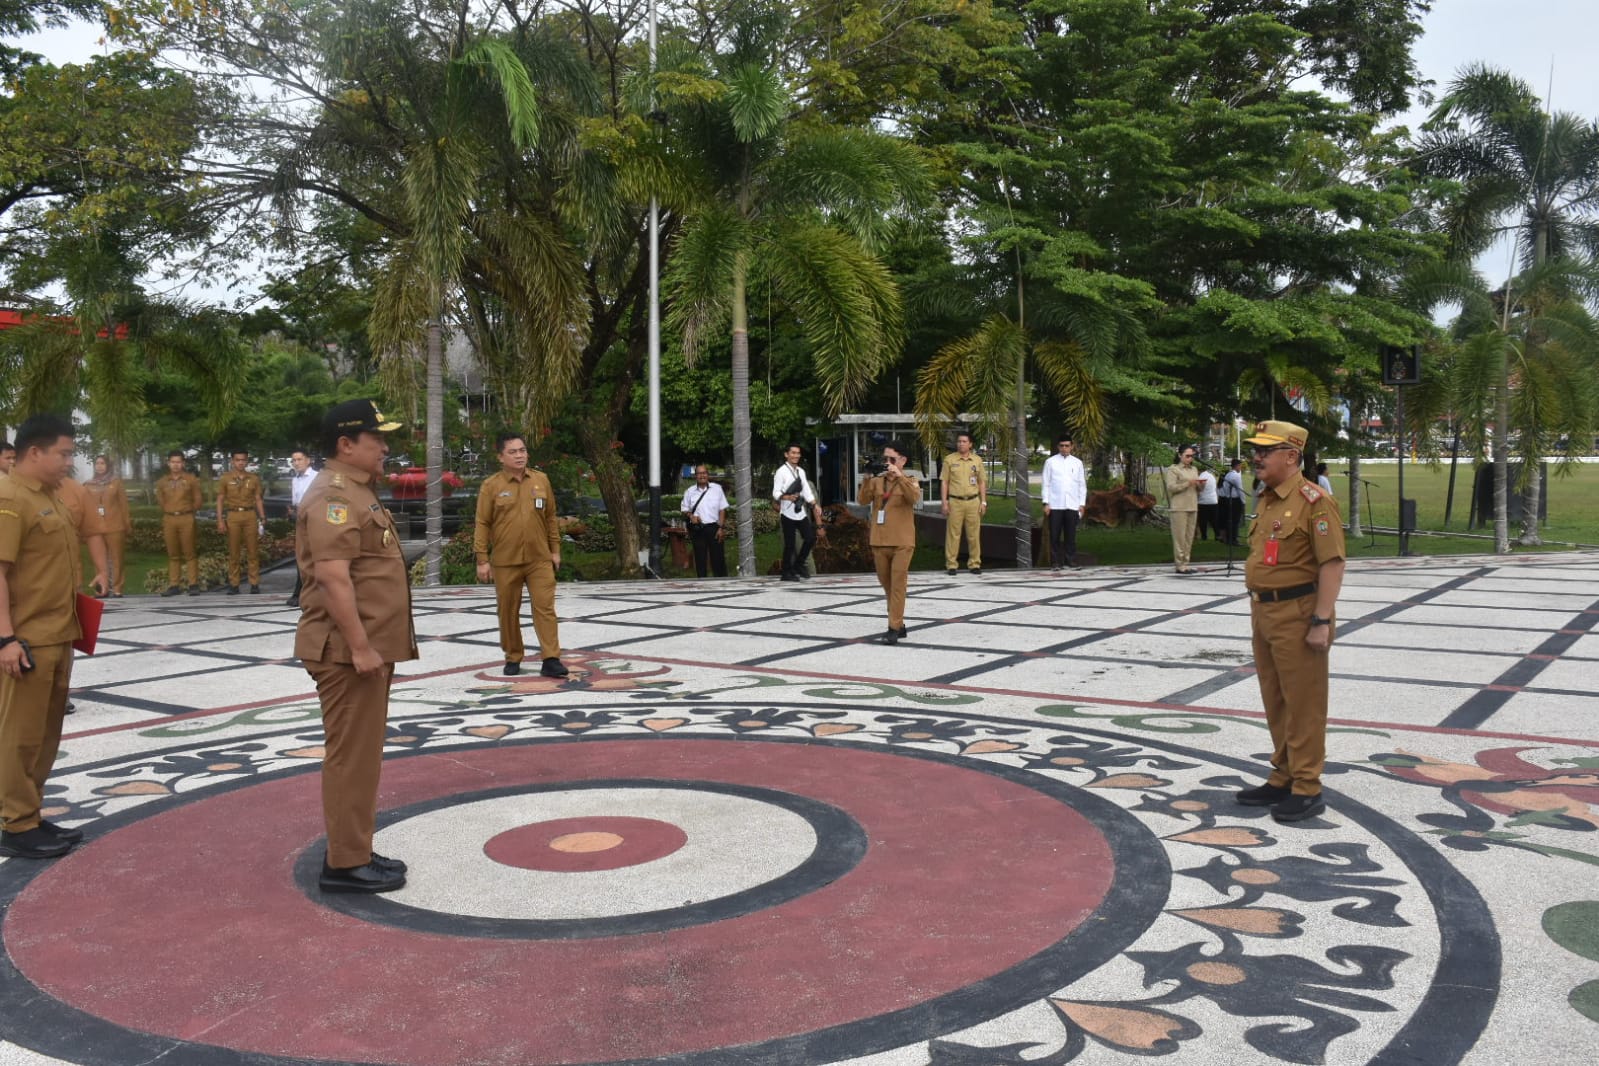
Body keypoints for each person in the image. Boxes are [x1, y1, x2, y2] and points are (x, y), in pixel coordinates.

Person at [296, 399, 416, 893]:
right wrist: (363, 647)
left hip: (362, 650)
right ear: (346, 445)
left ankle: (355, 848)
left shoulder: (358, 491)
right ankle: (345, 863)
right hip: (347, 654)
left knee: (362, 754)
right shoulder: (334, 495)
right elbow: (333, 577)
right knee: (351, 755)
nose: (385, 447)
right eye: (376, 439)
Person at [0, 414, 108, 859]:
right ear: (34, 452)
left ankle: (31, 813)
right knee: (19, 735)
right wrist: (5, 638)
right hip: (26, 640)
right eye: (64, 453)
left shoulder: (50, 497)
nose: (70, 462)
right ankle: (16, 823)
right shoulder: (9, 498)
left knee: (45, 735)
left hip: (59, 632)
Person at [1235, 420, 1346, 824]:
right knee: (1275, 697)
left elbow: (1332, 564)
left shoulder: (1313, 501)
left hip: (1300, 613)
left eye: (1266, 450)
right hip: (1264, 611)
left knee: (1304, 703)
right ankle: (1281, 774)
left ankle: (1307, 786)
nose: (1257, 457)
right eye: (1256, 450)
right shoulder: (1267, 499)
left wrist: (1321, 620)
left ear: (1292, 456)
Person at [474, 432, 568, 678]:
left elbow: (550, 518)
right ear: (501, 457)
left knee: (545, 608)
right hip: (506, 561)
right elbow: (482, 523)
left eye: (522, 450)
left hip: (539, 559)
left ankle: (551, 658)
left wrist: (555, 551)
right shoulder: (491, 486)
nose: (519, 455)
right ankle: (513, 656)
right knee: (507, 610)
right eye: (513, 452)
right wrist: (482, 559)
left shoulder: (541, 480)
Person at [857, 440, 921, 644]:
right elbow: (862, 500)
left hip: (902, 541)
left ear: (903, 460)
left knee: (897, 586)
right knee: (887, 586)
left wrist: (899, 476)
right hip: (880, 540)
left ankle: (893, 628)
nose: (887, 463)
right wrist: (867, 476)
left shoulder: (911, 480)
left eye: (892, 459)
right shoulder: (877, 482)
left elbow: (914, 498)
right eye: (885, 459)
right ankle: (899, 624)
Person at [217, 450, 265, 594]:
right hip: (233, 516)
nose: (241, 462)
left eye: (243, 460)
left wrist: (262, 517)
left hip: (250, 515)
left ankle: (254, 583)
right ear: (232, 461)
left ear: (247, 461)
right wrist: (220, 519)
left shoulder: (254, 478)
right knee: (234, 552)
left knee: (253, 551)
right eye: (237, 460)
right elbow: (220, 499)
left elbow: (257, 498)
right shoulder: (225, 478)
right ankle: (234, 584)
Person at [772, 443, 821, 581]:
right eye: (793, 453)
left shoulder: (801, 471)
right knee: (790, 545)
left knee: (810, 538)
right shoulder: (781, 472)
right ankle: (786, 573)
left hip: (800, 512)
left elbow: (806, 490)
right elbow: (775, 493)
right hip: (787, 513)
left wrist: (814, 505)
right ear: (786, 455)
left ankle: (799, 565)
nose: (796, 455)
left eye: (798, 453)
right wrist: (787, 497)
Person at [940, 432, 987, 576]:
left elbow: (981, 482)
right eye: (959, 441)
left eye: (964, 441)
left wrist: (983, 501)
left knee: (973, 535)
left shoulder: (977, 460)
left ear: (970, 444)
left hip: (973, 501)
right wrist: (944, 502)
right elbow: (945, 482)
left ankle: (974, 564)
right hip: (955, 502)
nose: (961, 444)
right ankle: (951, 565)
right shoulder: (949, 460)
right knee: (953, 534)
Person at [84, 456, 131, 597]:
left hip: (115, 525)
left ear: (108, 465)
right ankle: (101, 589)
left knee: (116, 558)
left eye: (102, 463)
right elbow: (84, 507)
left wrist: (127, 524)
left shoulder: (115, 483)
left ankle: (117, 588)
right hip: (96, 527)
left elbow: (124, 505)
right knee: (99, 559)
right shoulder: (87, 485)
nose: (99, 466)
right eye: (97, 463)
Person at [156, 451, 202, 596]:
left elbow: (198, 500)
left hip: (186, 518)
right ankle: (174, 585)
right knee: (173, 554)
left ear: (183, 463)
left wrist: (187, 511)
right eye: (173, 462)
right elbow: (161, 501)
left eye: (178, 462)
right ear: (168, 463)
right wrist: (171, 510)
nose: (176, 465)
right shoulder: (162, 482)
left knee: (190, 552)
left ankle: (193, 584)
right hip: (169, 519)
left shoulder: (191, 479)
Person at [1040, 434, 1087, 570]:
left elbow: (1081, 485)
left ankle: (1070, 561)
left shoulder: (1077, 463)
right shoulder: (1050, 462)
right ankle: (1055, 562)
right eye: (1062, 446)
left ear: (1072, 446)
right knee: (1054, 535)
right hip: (1055, 504)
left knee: (1070, 535)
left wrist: (1082, 504)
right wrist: (1046, 502)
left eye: (1067, 446)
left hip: (1072, 504)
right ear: (1058, 446)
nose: (1064, 448)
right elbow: (1046, 484)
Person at [681, 464, 729, 578]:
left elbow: (722, 509)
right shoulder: (689, 491)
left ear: (707, 475)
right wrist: (691, 516)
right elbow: (684, 509)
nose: (702, 475)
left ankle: (721, 582)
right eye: (699, 473)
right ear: (695, 476)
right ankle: (702, 583)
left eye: (704, 473)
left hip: (714, 527)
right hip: (698, 529)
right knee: (700, 558)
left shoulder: (717, 489)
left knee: (718, 559)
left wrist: (721, 528)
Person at [1162, 445, 1203, 573]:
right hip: (1179, 507)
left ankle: (1186, 563)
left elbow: (1199, 490)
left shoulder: (1194, 469)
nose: (1190, 458)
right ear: (1180, 455)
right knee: (1179, 537)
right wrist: (1187, 483)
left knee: (1189, 537)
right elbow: (1171, 487)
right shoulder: (1173, 470)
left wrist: (1201, 485)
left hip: (1192, 505)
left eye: (1192, 456)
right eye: (1187, 456)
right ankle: (1179, 564)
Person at [286, 449, 317, 608]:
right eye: (294, 460)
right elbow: (296, 501)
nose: (296, 463)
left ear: (308, 460)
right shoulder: (295, 480)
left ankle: (305, 592)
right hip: (300, 521)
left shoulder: (317, 477)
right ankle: (300, 591)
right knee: (301, 556)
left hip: (315, 521)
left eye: (299, 459)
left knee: (313, 556)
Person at [1218, 458, 1246, 546]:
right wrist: (1243, 501)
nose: (1240, 468)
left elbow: (1225, 488)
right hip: (1235, 500)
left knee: (1230, 520)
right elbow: (1240, 489)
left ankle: (1229, 538)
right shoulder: (1236, 476)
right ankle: (1234, 539)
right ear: (1237, 466)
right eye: (1240, 466)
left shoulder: (1228, 475)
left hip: (1228, 499)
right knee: (1235, 521)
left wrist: (1227, 496)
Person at [1196, 463, 1219, 541]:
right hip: (1213, 500)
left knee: (1203, 520)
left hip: (1204, 501)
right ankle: (1217, 535)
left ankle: (1204, 536)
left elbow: (1201, 489)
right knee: (1214, 520)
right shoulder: (1211, 475)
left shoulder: (1201, 477)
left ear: (1199, 470)